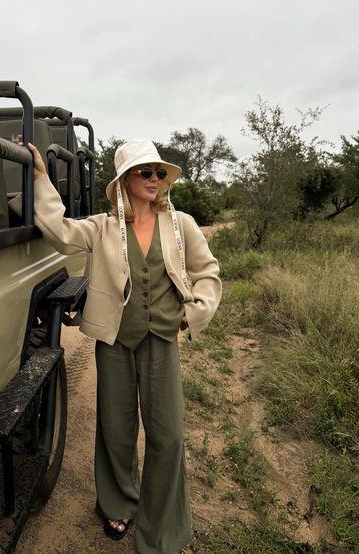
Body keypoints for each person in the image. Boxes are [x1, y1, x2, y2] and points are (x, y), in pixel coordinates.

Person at [24, 138, 222, 554]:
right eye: (144, 172)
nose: (154, 179)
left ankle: (163, 525)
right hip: (115, 340)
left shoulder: (180, 224)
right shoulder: (103, 225)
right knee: (116, 428)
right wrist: (41, 176)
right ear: (125, 180)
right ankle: (119, 501)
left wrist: (194, 312)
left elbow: (208, 273)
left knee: (166, 434)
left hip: (162, 340)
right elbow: (60, 231)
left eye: (158, 173)